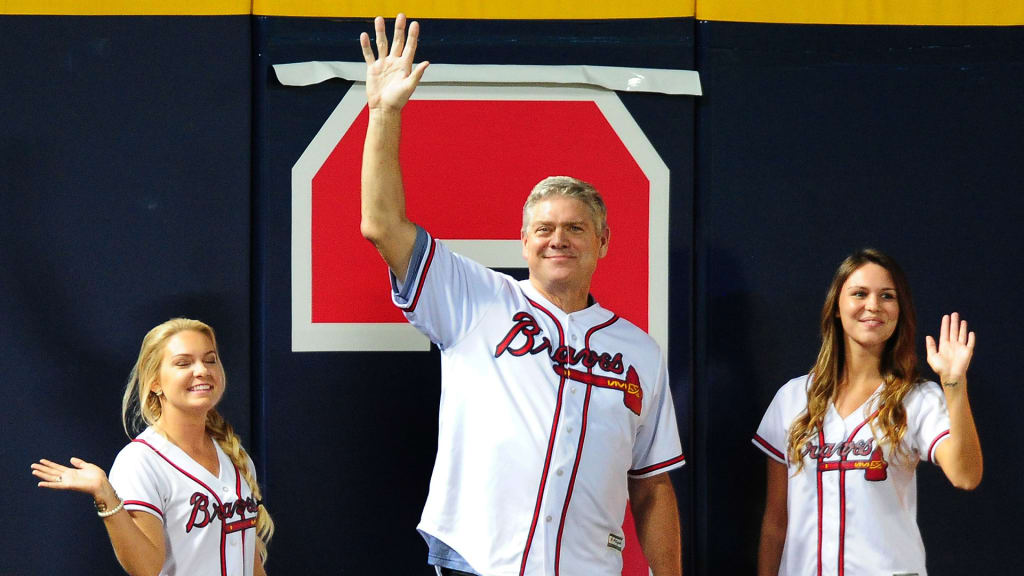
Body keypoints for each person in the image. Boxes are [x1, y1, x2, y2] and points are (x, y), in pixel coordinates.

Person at [358, 14, 685, 576]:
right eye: (544, 229)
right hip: (477, 562)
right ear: (524, 242)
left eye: (576, 228)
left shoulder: (639, 352)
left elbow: (652, 486)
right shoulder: (473, 297)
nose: (559, 239)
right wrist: (385, 112)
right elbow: (381, 225)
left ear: (603, 242)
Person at [753, 249, 983, 576]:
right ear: (836, 307)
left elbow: (966, 475)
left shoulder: (916, 398)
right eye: (859, 293)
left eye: (887, 296)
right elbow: (776, 521)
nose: (873, 305)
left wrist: (954, 383)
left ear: (900, 310)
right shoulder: (792, 399)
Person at [32, 318, 273, 576]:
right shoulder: (140, 461)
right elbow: (146, 569)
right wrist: (105, 494)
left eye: (210, 359)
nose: (202, 370)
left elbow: (251, 562)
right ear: (155, 381)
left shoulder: (234, 454)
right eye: (183, 363)